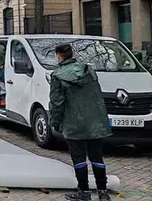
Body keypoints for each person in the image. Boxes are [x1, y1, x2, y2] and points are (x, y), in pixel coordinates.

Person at [49, 43, 112, 201]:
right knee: (97, 157)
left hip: (74, 122)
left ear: (58, 56)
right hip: (96, 120)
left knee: (79, 158)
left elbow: (57, 103)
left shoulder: (57, 75)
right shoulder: (88, 70)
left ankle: (84, 192)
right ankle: (103, 192)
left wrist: (55, 122)